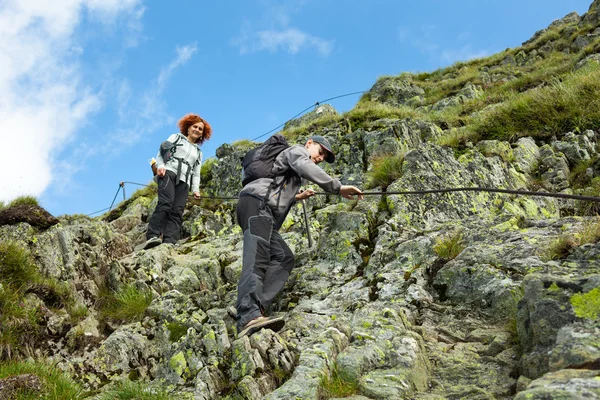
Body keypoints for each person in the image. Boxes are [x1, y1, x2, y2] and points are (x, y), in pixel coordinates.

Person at [235, 135, 363, 337]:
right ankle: (248, 315)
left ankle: (249, 305)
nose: (320, 158)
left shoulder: (288, 168)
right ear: (309, 143)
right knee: (257, 259)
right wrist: (337, 187)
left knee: (283, 258)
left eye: (324, 157)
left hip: (259, 209)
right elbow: (304, 166)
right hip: (256, 207)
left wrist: (297, 197)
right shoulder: (297, 151)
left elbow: (275, 190)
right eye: (320, 152)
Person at [143, 113, 212, 250]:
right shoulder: (176, 137)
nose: (197, 130)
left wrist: (196, 189)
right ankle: (152, 236)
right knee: (166, 203)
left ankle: (170, 241)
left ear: (202, 135)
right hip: (168, 172)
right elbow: (162, 151)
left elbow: (196, 173)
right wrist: (161, 166)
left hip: (184, 181)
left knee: (177, 210)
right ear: (188, 128)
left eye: (200, 129)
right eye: (195, 127)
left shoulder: (198, 152)